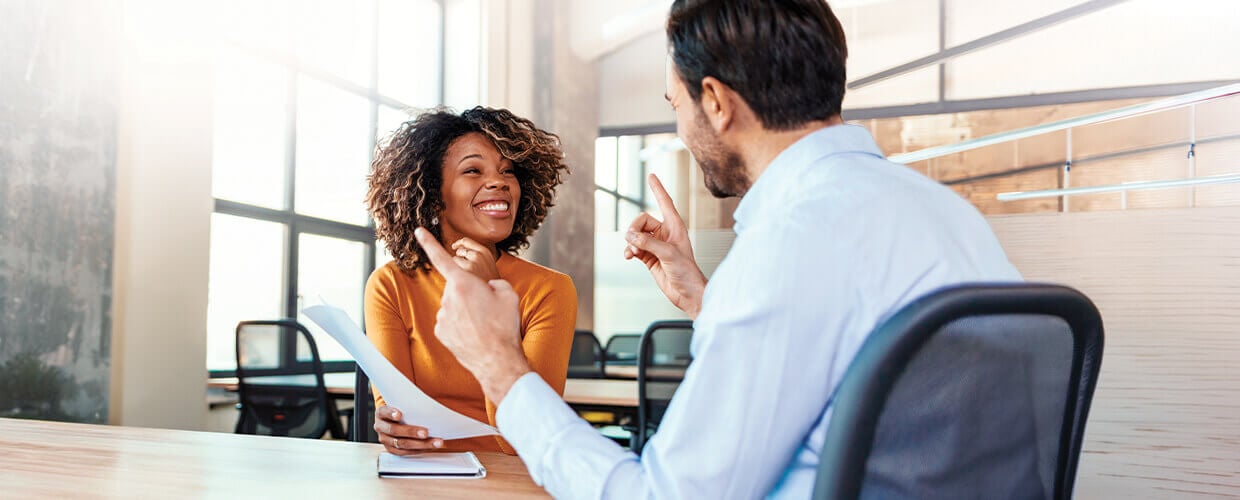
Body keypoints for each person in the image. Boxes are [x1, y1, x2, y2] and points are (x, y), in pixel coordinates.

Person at [413, 0, 1021, 497]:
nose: (679, 129)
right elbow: (850, 373)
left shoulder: (793, 242)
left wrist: (499, 363)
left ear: (717, 102)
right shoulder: (949, 216)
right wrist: (708, 301)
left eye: (675, 106)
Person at [363, 106, 576, 455]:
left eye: (508, 171)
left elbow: (524, 440)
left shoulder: (550, 290)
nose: (499, 182)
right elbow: (399, 417)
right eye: (473, 170)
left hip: (514, 477)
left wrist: (491, 293)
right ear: (434, 196)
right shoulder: (390, 285)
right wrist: (392, 426)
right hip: (422, 474)